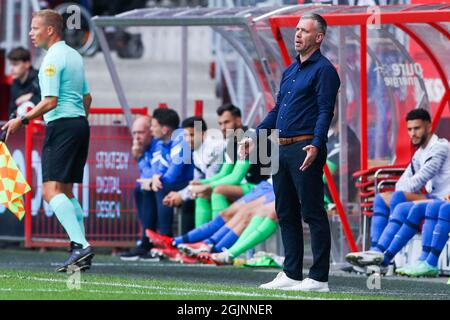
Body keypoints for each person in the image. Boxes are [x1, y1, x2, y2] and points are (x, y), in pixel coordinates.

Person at [240, 13, 340, 292]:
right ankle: (291, 273)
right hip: (279, 147)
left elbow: (325, 111)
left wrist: (318, 144)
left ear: (318, 38)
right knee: (285, 211)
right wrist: (254, 136)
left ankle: (319, 278)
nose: (297, 35)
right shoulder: (290, 70)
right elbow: (276, 110)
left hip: (305, 147)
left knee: (312, 212)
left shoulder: (325, 71)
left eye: (304, 31)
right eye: (296, 30)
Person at [2, 10, 93, 272]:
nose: (31, 33)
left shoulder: (52, 58)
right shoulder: (74, 55)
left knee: (52, 192)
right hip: (78, 125)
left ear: (50, 30)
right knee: (65, 191)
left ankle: (80, 245)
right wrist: (77, 120)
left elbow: (50, 101)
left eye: (35, 28)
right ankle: (80, 249)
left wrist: (23, 119)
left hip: (62, 126)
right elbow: (87, 98)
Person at [346, 109, 450, 269]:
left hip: (443, 199)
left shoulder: (440, 147)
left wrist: (400, 192)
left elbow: (418, 180)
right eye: (409, 129)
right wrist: (400, 191)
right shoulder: (419, 153)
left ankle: (382, 256)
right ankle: (375, 252)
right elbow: (402, 182)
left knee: (398, 200)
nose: (412, 134)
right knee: (381, 198)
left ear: (429, 127)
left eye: (417, 128)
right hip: (433, 198)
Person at [188, 104, 268, 225]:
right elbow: (224, 173)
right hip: (244, 187)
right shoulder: (231, 142)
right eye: (220, 124)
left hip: (263, 187)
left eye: (226, 122)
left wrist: (208, 186)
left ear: (238, 120)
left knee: (219, 190)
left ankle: (217, 237)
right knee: (201, 193)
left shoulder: (251, 138)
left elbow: (236, 177)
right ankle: (200, 240)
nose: (223, 127)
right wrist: (202, 183)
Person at [162, 116, 224, 233]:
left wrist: (182, 195)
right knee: (193, 195)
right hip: (214, 186)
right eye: (185, 136)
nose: (188, 140)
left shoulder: (215, 147)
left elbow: (208, 181)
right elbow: (197, 180)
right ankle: (195, 242)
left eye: (192, 135)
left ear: (203, 134)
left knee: (198, 195)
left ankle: (200, 241)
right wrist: (180, 194)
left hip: (229, 186)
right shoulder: (196, 152)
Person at [147, 108, 193, 237]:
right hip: (177, 182)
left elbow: (174, 174)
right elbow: (160, 168)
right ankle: (147, 241)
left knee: (160, 187)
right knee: (143, 189)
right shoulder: (162, 142)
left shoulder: (181, 141)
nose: (151, 129)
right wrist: (155, 178)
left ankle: (165, 237)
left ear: (165, 130)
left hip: (188, 182)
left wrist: (155, 182)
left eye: (154, 126)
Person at [120, 116, 160, 261]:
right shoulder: (145, 148)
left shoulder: (157, 145)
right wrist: (140, 157)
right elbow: (145, 175)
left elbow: (153, 173)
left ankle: (148, 242)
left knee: (145, 189)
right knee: (140, 188)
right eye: (134, 133)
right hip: (157, 184)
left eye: (140, 133)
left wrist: (140, 157)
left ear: (151, 131)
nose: (136, 137)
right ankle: (147, 238)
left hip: (168, 183)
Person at [7, 47, 41, 119]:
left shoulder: (40, 78)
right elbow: (11, 111)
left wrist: (30, 97)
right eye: (11, 64)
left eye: (15, 64)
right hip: (22, 126)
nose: (11, 68)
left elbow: (49, 103)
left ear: (27, 64)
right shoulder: (15, 84)